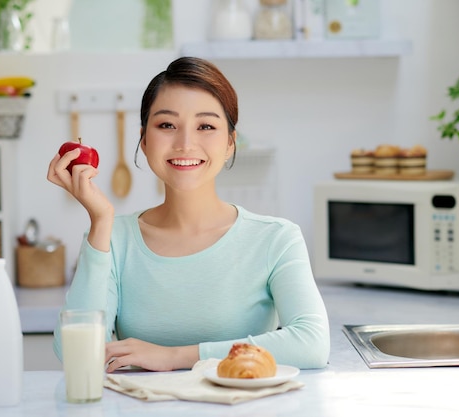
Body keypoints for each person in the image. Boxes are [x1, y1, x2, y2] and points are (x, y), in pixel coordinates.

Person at [48, 56, 330, 372]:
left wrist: (176, 356)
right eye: (167, 125)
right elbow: (75, 354)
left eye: (206, 126)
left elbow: (313, 343)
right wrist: (100, 220)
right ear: (143, 139)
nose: (185, 143)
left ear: (229, 143)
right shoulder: (112, 237)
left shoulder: (276, 238)